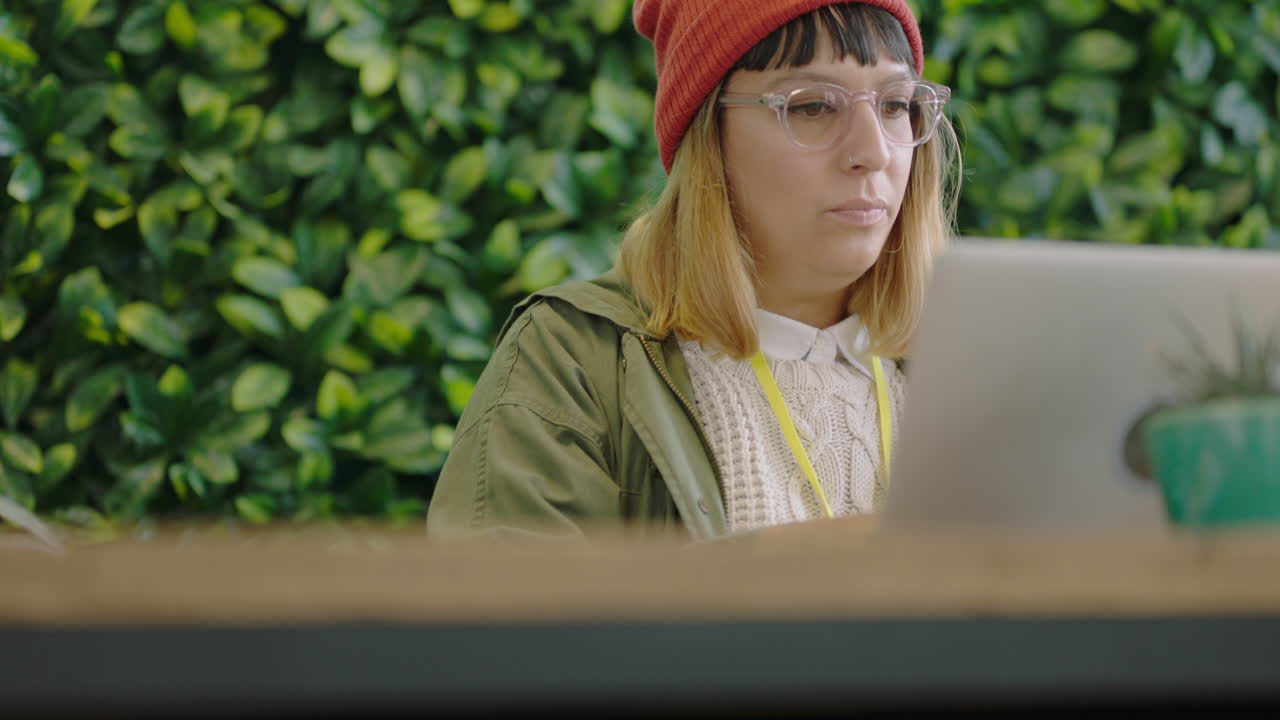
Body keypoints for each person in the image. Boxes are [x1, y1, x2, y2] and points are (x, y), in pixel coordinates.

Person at [427, 0, 961, 541]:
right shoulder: (571, 358)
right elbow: (507, 616)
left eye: (895, 105)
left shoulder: (966, 369)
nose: (873, 151)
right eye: (812, 106)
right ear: (708, 136)